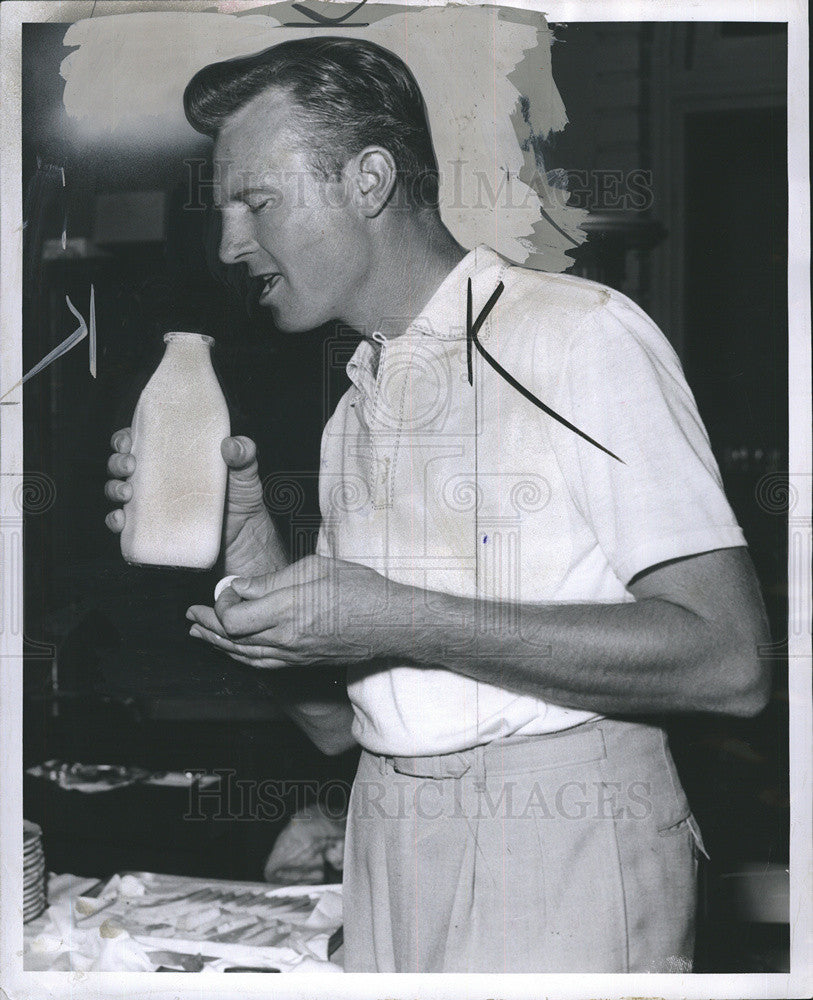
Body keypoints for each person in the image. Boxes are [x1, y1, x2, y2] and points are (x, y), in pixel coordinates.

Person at [105, 36, 770, 973]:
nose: (229, 244)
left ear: (369, 180)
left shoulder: (577, 337)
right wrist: (246, 553)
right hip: (388, 825)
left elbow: (729, 661)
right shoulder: (353, 414)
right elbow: (344, 727)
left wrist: (401, 617)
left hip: (557, 826)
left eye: (256, 202)